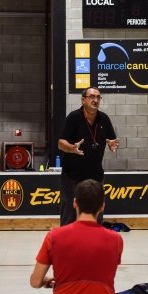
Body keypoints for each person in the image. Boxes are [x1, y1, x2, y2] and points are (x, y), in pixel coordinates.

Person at [30, 179, 148, 294]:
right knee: (146, 291)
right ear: (102, 206)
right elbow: (98, 272)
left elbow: (35, 282)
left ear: (75, 203)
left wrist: (47, 281)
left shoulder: (54, 236)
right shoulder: (115, 239)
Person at [58, 87, 119, 226]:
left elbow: (112, 140)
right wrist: (72, 148)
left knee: (96, 214)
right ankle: (67, 245)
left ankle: (94, 245)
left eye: (98, 97)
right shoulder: (74, 117)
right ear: (83, 99)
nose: (95, 100)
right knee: (70, 213)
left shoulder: (104, 118)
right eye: (92, 96)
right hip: (72, 177)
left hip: (95, 177)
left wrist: (111, 144)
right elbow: (60, 143)